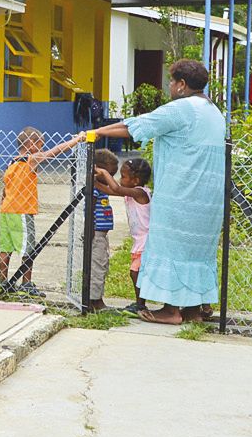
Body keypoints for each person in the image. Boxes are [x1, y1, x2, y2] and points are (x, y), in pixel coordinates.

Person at [60, 59, 225, 324]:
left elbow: (134, 126)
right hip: (207, 201)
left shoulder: (181, 109)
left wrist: (93, 132)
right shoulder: (213, 111)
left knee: (170, 249)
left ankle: (171, 310)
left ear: (182, 85)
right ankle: (192, 311)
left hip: (180, 196)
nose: (170, 86)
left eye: (172, 81)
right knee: (196, 254)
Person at [0, 127, 73, 294]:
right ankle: (26, 284)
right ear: (31, 144)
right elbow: (55, 151)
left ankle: (3, 283)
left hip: (7, 211)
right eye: (40, 144)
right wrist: (76, 140)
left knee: (5, 248)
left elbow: (5, 189)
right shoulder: (31, 159)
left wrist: (3, 202)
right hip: (21, 211)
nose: (42, 149)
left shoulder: (13, 161)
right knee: (29, 248)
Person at [111, 155, 153, 311]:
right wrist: (94, 183)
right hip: (139, 240)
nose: (120, 179)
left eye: (123, 177)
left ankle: (141, 304)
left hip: (147, 240)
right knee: (137, 271)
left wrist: (103, 174)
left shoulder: (140, 193)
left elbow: (115, 189)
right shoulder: (131, 192)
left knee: (135, 271)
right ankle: (140, 303)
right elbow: (112, 190)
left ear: (135, 181)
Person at [81, 148, 119, 311]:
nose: (111, 178)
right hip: (95, 233)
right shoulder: (95, 188)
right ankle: (95, 301)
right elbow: (89, 211)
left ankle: (95, 298)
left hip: (100, 234)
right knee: (97, 266)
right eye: (109, 174)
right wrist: (89, 233)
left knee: (101, 265)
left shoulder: (100, 187)